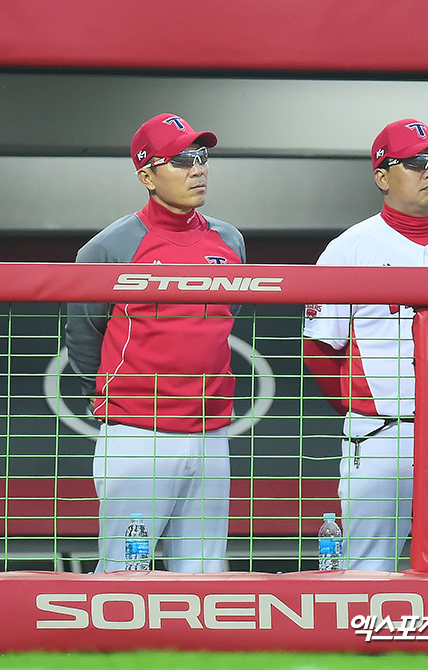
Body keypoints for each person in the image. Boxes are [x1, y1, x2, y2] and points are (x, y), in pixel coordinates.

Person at [302, 118, 428, 572]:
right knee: (367, 571)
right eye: (414, 163)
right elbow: (320, 349)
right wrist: (363, 410)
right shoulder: (350, 248)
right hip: (382, 433)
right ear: (382, 176)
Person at [65, 113, 245, 572]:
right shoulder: (109, 247)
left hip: (211, 432)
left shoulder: (229, 240)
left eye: (202, 157)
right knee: (126, 571)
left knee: (205, 572)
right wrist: (117, 404)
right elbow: (83, 336)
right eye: (182, 160)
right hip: (138, 434)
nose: (198, 169)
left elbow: (225, 321)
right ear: (147, 176)